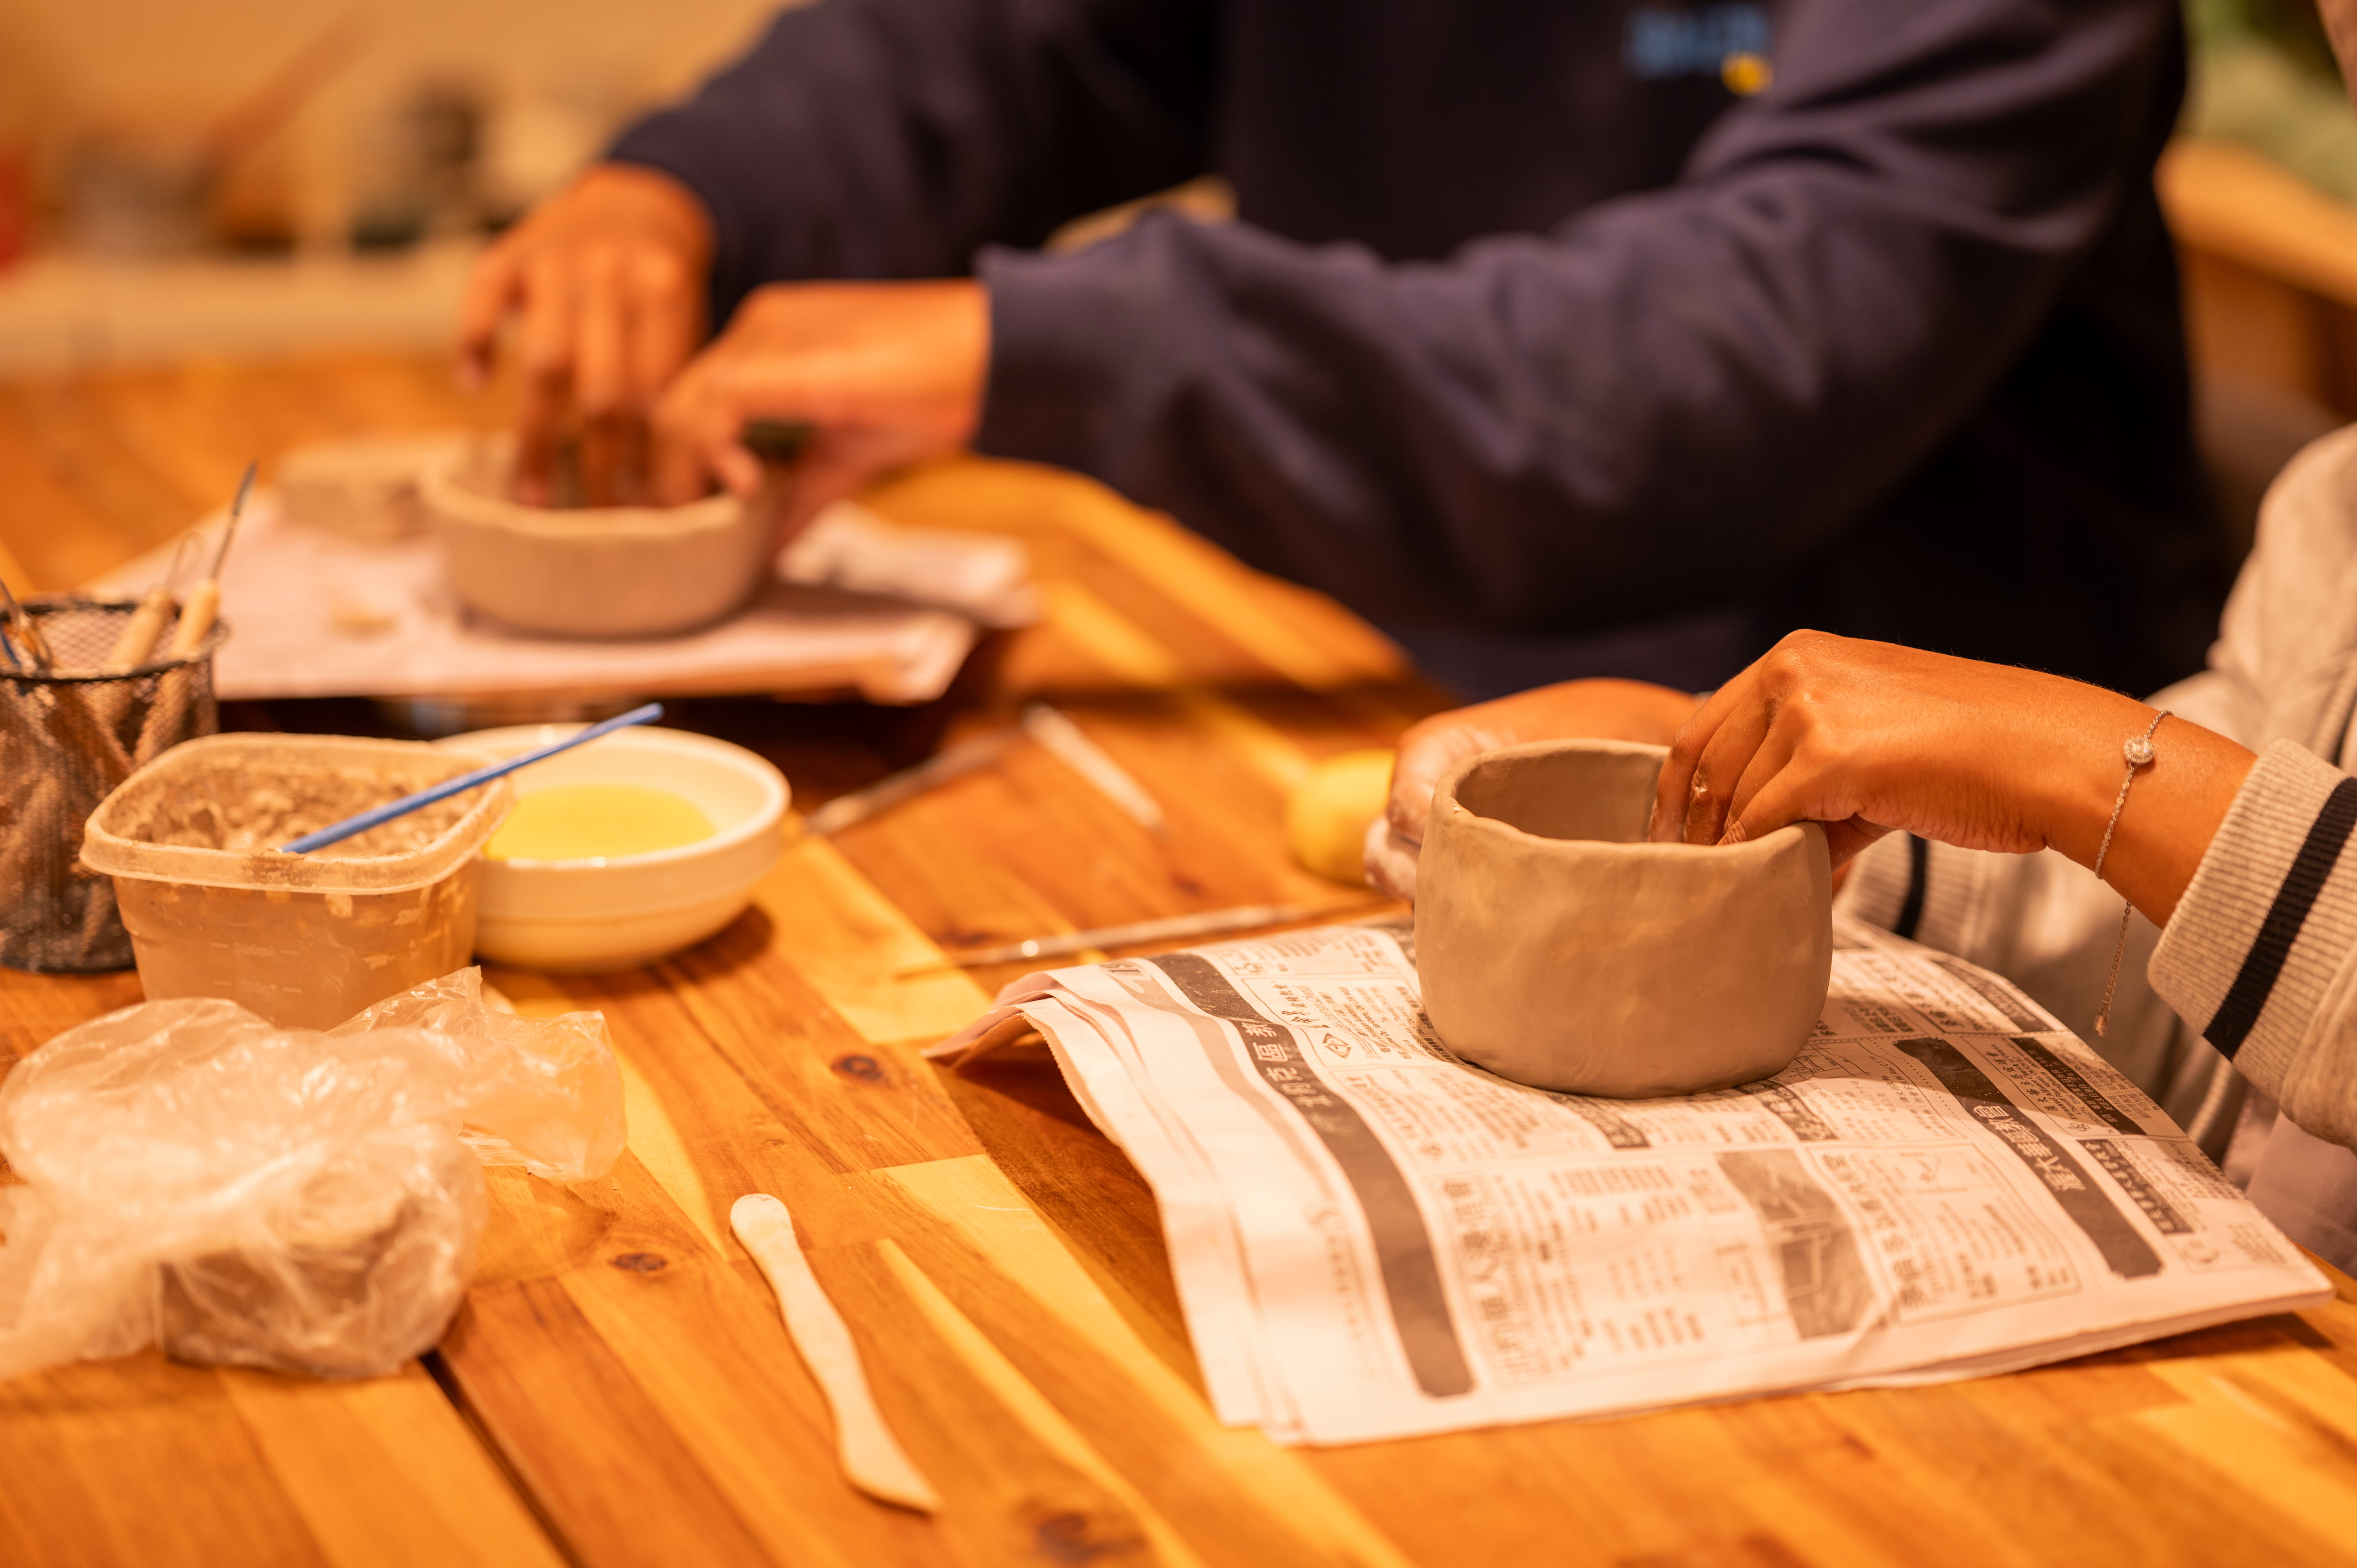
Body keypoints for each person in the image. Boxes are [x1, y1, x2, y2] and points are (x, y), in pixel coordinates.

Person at [459, 0, 2225, 698]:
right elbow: (1006, 46)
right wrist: (678, 196)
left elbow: (1714, 375)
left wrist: (1053, 345)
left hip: (1912, 839)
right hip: (1356, 669)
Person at [1365, 422, 2357, 1270]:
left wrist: (2078, 760)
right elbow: (2214, 956)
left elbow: (2154, 808)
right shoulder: (2340, 498)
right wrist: (1783, 806)